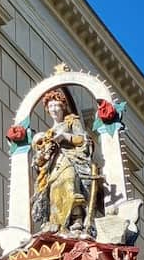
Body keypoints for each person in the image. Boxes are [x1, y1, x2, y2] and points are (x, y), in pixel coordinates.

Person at [30, 89, 96, 233]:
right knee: (54, 193)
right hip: (54, 165)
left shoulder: (72, 121)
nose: (54, 109)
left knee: (69, 183)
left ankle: (77, 220)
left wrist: (65, 137)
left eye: (57, 105)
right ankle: (57, 226)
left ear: (63, 106)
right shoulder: (48, 133)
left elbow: (84, 139)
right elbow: (41, 156)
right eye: (51, 106)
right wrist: (43, 154)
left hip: (70, 159)